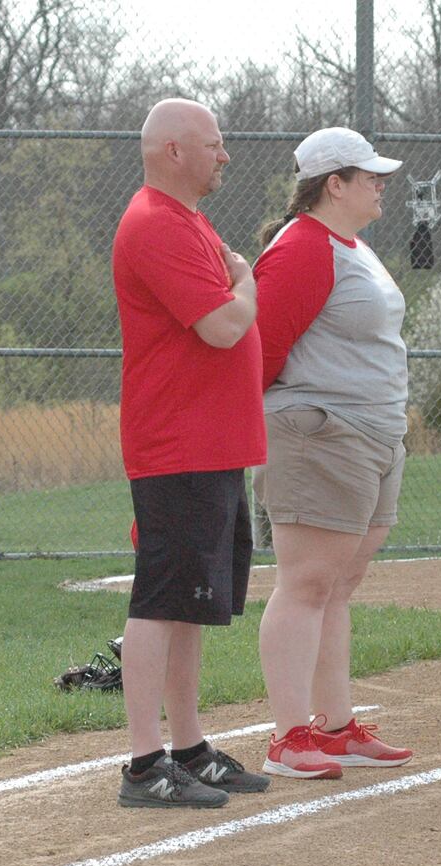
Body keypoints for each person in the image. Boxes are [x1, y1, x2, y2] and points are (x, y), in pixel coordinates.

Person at [111, 98, 272, 807]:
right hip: (177, 443)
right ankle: (145, 763)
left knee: (191, 603)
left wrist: (237, 281)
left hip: (208, 443)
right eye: (213, 143)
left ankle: (187, 745)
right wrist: (246, 282)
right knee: (161, 599)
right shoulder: (154, 223)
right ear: (173, 151)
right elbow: (221, 324)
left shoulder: (186, 222)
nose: (224, 154)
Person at [251, 126, 413, 778]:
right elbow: (259, 350)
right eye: (367, 174)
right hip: (319, 430)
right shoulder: (300, 249)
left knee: (340, 582)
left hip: (371, 432)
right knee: (308, 582)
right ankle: (290, 736)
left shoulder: (350, 246)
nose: (380, 184)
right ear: (332, 183)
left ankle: (336, 726)